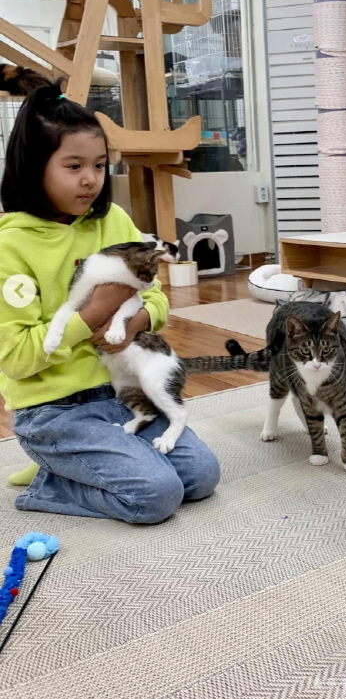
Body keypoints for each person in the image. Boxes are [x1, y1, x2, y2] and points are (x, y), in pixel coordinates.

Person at [0, 71, 220, 522]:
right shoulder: (11, 247)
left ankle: (81, 464)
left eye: (99, 166)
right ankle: (51, 477)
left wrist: (138, 322)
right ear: (33, 165)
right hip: (53, 412)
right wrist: (94, 314)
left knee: (201, 477)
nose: (91, 180)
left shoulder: (114, 220)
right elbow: (18, 359)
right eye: (74, 167)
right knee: (155, 496)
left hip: (121, 394)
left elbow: (156, 298)